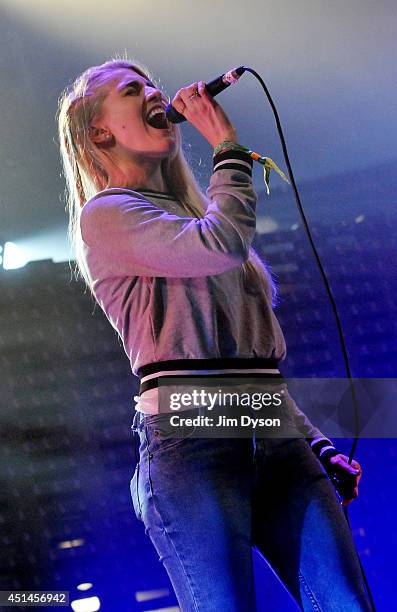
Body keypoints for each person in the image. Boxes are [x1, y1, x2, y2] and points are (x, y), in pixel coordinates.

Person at [57, 58, 371, 611]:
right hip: (192, 438)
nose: (154, 92)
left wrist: (316, 442)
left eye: (152, 83)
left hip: (273, 430)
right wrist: (227, 146)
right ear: (100, 131)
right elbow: (219, 244)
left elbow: (249, 365)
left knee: (346, 602)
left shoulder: (198, 217)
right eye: (133, 90)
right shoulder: (107, 215)